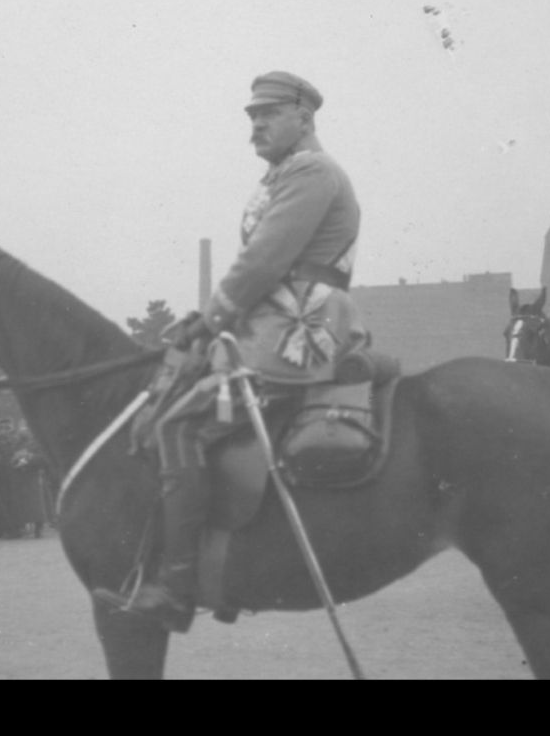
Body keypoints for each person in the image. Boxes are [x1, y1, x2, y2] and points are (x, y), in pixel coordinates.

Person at [94, 70, 368, 631]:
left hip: (297, 326)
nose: (256, 125)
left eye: (268, 114)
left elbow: (265, 260)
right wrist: (210, 322)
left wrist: (212, 315)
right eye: (251, 116)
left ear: (305, 117)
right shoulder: (284, 174)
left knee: (177, 425)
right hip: (268, 321)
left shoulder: (311, 172)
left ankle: (176, 584)